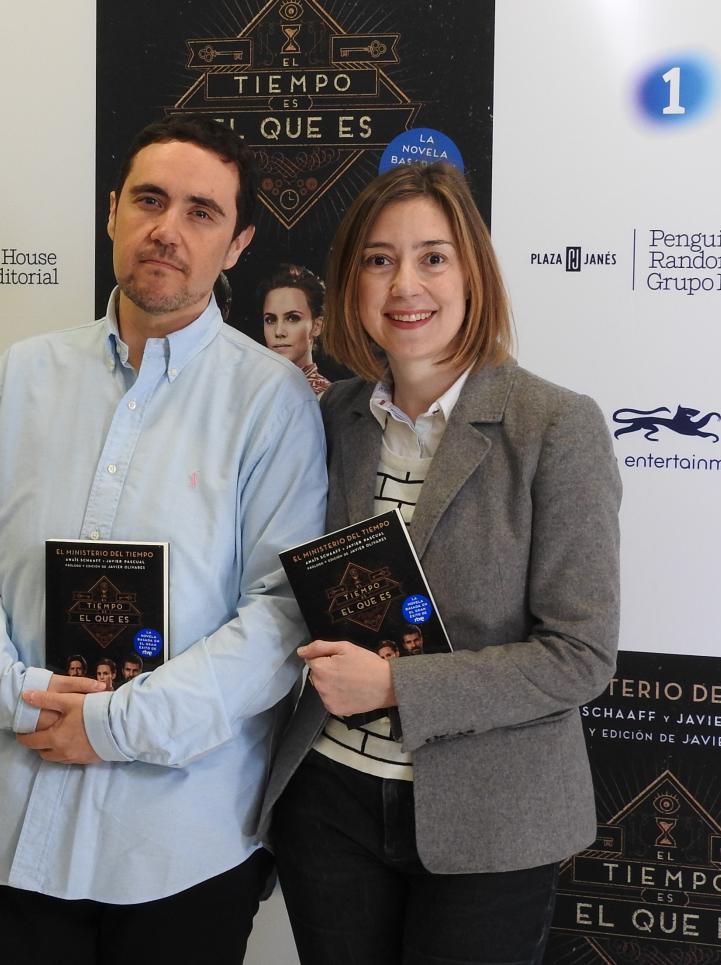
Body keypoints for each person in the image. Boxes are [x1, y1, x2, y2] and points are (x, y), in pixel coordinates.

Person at [0, 115, 326, 965]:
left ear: (238, 244)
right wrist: (21, 693)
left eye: (202, 212)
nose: (168, 229)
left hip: (178, 849)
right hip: (9, 833)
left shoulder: (271, 402)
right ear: (111, 213)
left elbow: (279, 618)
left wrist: (112, 725)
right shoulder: (21, 376)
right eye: (149, 200)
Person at [261, 163, 621, 965]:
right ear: (350, 284)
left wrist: (397, 685)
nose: (404, 284)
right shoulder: (332, 416)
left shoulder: (556, 426)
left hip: (491, 820)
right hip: (330, 806)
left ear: (472, 274)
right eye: (378, 259)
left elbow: (581, 655)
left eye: (432, 257)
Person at [258, 263, 331, 397]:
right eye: (270, 320)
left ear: (317, 326)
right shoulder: (254, 390)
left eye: (292, 318)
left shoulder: (326, 400)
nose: (278, 332)